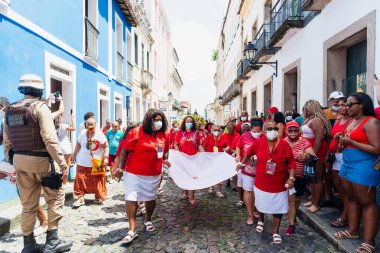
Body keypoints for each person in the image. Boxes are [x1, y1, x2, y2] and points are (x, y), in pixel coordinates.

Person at [2, 74, 72, 252]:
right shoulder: (40, 108)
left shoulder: (9, 110)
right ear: (40, 91)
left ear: (22, 89)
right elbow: (50, 139)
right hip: (43, 162)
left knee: (28, 205)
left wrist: (13, 162)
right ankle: (52, 242)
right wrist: (63, 164)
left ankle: (29, 245)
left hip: (20, 162)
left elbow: (7, 142)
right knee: (55, 199)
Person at [334, 93, 380, 253]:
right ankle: (353, 231)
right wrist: (342, 138)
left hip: (364, 165)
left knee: (367, 202)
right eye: (346, 104)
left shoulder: (371, 122)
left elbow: (377, 148)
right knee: (351, 198)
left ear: (361, 105)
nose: (346, 107)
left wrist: (351, 142)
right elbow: (350, 141)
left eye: (350, 104)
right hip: (348, 163)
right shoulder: (353, 121)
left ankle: (369, 241)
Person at [237, 120, 296, 245]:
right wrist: (242, 163)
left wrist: (291, 178)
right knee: (260, 204)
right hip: (261, 183)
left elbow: (291, 163)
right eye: (269, 129)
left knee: (278, 209)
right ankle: (261, 220)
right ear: (264, 132)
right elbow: (248, 153)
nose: (272, 131)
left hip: (279, 184)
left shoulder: (284, 145)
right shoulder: (258, 142)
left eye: (275, 128)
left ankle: (276, 231)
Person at [119, 109, 171, 244]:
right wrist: (120, 168)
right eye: (156, 120)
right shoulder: (136, 132)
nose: (159, 122)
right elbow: (125, 151)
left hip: (153, 173)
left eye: (160, 120)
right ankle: (132, 229)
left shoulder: (165, 135)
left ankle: (148, 219)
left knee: (150, 198)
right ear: (149, 120)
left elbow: (165, 152)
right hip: (133, 172)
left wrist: (165, 160)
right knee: (131, 197)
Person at [284, 121, 315, 236]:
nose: (293, 133)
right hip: (286, 176)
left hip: (300, 176)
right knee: (291, 200)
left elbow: (313, 156)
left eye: (295, 130)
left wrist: (307, 156)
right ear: (286, 131)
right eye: (290, 130)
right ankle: (291, 224)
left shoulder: (304, 142)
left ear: (299, 131)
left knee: (297, 200)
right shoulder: (282, 142)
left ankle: (293, 215)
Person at [301, 100, 331, 213]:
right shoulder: (310, 119)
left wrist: (313, 154)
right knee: (312, 178)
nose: (304, 110)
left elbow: (319, 139)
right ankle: (313, 200)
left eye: (306, 108)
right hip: (310, 150)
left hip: (316, 151)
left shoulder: (317, 120)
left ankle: (316, 203)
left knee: (317, 178)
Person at [326, 97, 352, 228]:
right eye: (340, 105)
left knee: (346, 188)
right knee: (338, 186)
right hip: (335, 156)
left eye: (343, 105)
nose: (340, 107)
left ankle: (346, 216)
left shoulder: (353, 121)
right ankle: (346, 212)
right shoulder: (339, 119)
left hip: (345, 156)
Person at [72, 118, 109, 207]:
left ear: (95, 125)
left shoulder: (100, 134)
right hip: (83, 161)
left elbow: (106, 146)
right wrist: (74, 154)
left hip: (97, 161)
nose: (90, 128)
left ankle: (97, 196)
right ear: (86, 125)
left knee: (97, 179)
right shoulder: (82, 133)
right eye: (88, 125)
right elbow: (78, 144)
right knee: (80, 179)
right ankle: (80, 198)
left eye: (92, 126)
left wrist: (106, 156)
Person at [235, 118, 264, 225]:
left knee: (258, 192)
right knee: (248, 190)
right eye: (254, 131)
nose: (257, 133)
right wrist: (238, 155)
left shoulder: (265, 137)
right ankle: (250, 215)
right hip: (247, 168)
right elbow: (238, 147)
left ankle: (257, 210)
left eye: (259, 131)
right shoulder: (244, 136)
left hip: (261, 170)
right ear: (251, 129)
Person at [174, 116, 202, 204]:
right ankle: (185, 192)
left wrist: (201, 150)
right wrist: (177, 151)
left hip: (193, 158)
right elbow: (176, 144)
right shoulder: (180, 132)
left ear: (193, 123)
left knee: (193, 176)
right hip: (183, 158)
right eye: (187, 121)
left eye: (190, 121)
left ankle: (192, 197)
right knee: (185, 176)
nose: (189, 123)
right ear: (184, 122)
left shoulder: (196, 132)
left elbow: (199, 145)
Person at [201, 125, 229, 198]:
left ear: (220, 131)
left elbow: (228, 146)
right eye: (215, 130)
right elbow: (203, 146)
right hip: (210, 159)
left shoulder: (223, 137)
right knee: (211, 173)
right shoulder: (209, 137)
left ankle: (219, 190)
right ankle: (211, 186)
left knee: (220, 174)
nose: (216, 132)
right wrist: (203, 152)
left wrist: (226, 149)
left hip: (219, 159)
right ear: (212, 130)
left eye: (218, 130)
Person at [55, 113, 75, 179]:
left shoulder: (53, 126)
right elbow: (73, 128)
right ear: (60, 118)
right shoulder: (63, 125)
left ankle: (61, 174)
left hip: (58, 145)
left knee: (59, 162)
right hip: (65, 144)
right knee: (67, 162)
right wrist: (72, 119)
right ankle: (65, 174)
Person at [222, 122, 240, 188]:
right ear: (227, 128)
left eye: (232, 129)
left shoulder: (237, 135)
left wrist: (232, 150)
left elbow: (238, 146)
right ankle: (228, 180)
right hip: (226, 155)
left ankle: (234, 185)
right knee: (227, 169)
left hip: (234, 154)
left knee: (234, 170)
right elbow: (222, 145)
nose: (230, 130)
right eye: (229, 129)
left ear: (234, 129)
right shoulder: (224, 135)